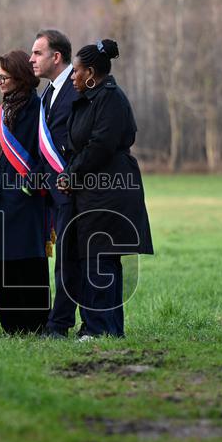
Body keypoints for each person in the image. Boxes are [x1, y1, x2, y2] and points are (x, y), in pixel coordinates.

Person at [58, 39, 153, 339]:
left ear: (91, 73)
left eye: (75, 71)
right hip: (91, 189)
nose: (72, 76)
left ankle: (101, 329)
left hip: (109, 190)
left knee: (100, 258)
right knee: (95, 257)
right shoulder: (88, 98)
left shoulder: (110, 99)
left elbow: (100, 145)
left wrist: (71, 174)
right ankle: (105, 328)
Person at [0, 50, 51, 334]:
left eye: (3, 77)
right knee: (1, 262)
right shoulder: (1, 112)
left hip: (25, 201)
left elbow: (44, 156)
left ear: (20, 78)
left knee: (27, 261)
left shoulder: (38, 109)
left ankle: (35, 325)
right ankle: (11, 327)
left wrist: (29, 186)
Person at [29, 29, 82, 339]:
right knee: (61, 259)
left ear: (56, 57)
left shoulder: (75, 91)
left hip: (71, 190)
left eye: (37, 53)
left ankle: (59, 324)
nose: (32, 58)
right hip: (50, 190)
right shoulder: (48, 92)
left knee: (68, 260)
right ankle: (56, 320)